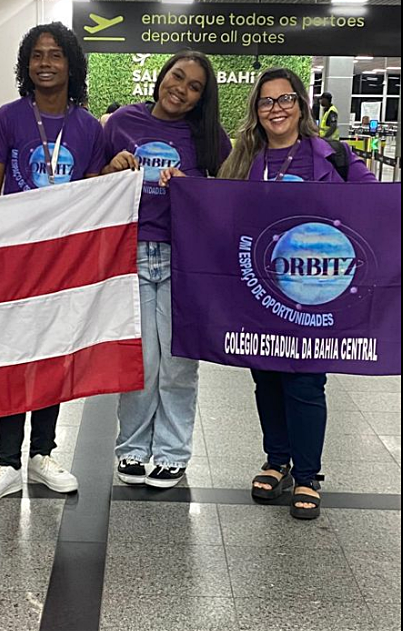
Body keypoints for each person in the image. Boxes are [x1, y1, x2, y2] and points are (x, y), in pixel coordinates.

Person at [219, 67, 375, 519]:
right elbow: (218, 211)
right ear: (256, 110)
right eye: (266, 101)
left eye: (285, 99)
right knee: (266, 376)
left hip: (315, 289)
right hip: (261, 290)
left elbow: (375, 204)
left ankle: (307, 475)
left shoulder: (334, 157)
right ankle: (277, 461)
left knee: (305, 380)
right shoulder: (243, 160)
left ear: (301, 104)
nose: (276, 109)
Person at [0, 22, 103, 506]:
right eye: (37, 55)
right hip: (14, 259)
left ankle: (42, 454)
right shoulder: (8, 118)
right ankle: (6, 462)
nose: (45, 63)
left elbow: (93, 197)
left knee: (52, 357)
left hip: (62, 262)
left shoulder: (89, 127)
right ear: (26, 65)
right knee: (11, 360)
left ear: (71, 64)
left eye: (55, 55)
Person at [101, 51, 231, 489]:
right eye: (178, 77)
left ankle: (173, 453)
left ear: (201, 98)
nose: (182, 90)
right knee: (140, 360)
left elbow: (227, 198)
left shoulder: (209, 137)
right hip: (130, 256)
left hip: (184, 261)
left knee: (178, 364)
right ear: (162, 76)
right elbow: (93, 179)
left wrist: (193, 188)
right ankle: (133, 448)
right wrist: (111, 168)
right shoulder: (122, 121)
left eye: (195, 87)